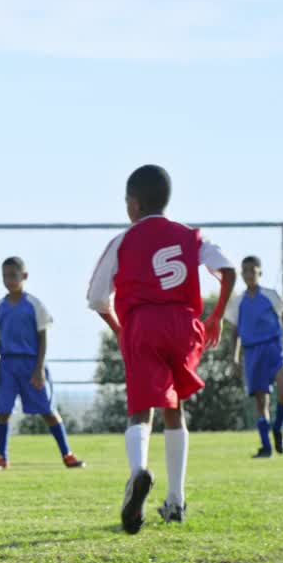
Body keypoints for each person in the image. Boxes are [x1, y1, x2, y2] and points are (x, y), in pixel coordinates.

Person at [87, 165, 235, 534]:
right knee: (175, 407)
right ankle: (176, 501)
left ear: (133, 204)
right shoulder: (190, 236)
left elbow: (96, 298)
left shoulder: (123, 241)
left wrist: (120, 329)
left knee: (140, 411)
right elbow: (228, 270)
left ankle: (138, 473)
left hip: (143, 325)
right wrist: (215, 317)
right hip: (184, 326)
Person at [0, 256, 84, 471]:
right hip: (8, 366)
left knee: (47, 411)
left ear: (24, 276)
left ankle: (67, 454)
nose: (9, 280)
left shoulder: (34, 305)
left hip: (31, 364)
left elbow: (42, 336)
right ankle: (2, 457)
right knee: (3, 411)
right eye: (5, 276)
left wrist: (38, 368)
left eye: (13, 275)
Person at [226, 255, 283, 458]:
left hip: (274, 348)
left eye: (252, 270)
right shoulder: (238, 302)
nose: (249, 274)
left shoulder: (271, 295)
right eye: (245, 271)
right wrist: (235, 357)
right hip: (252, 352)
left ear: (260, 272)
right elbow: (234, 332)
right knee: (261, 402)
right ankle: (266, 447)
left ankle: (278, 429)